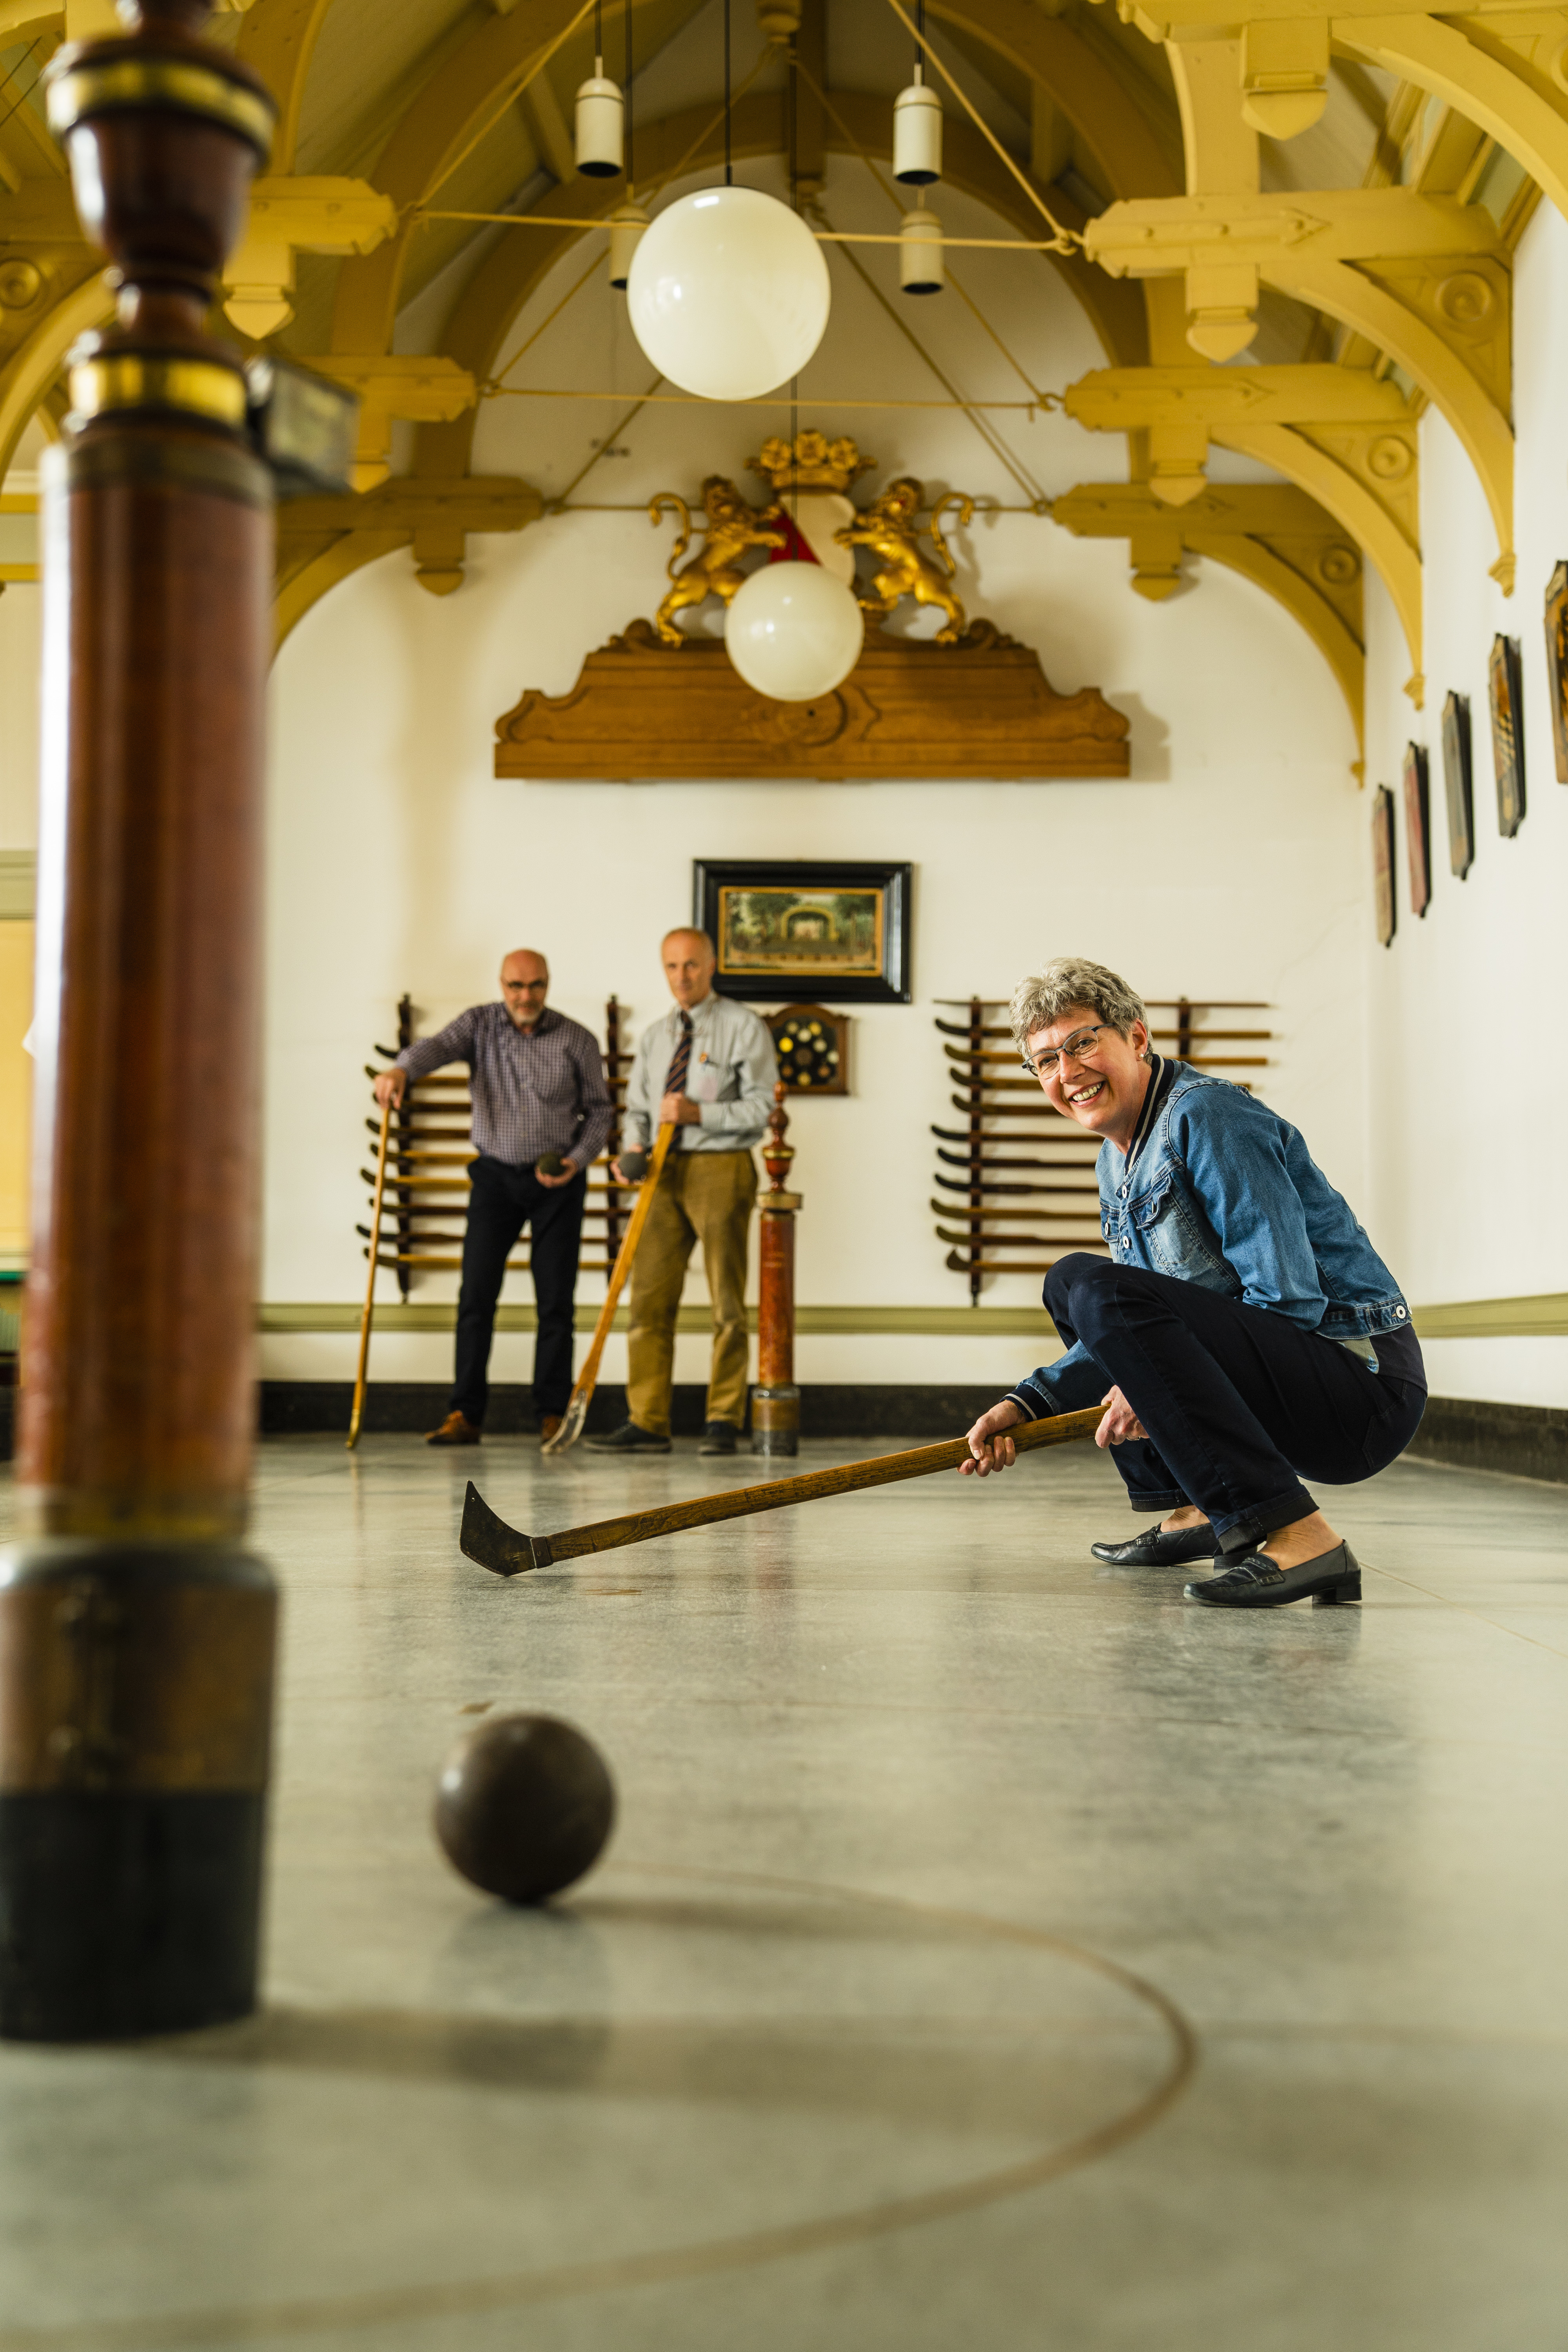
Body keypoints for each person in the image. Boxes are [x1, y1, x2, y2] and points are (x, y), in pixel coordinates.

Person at [960, 958, 1426, 1608]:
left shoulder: (1206, 1116)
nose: (1067, 1073)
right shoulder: (1114, 1161)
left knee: (1102, 1289)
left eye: (1083, 1042)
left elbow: (1288, 1300)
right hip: (1290, 1382)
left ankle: (1301, 1535)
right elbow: (1134, 1325)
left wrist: (1158, 1383)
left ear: (1138, 1038)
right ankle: (1191, 1510)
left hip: (1362, 1391)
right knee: (1073, 1282)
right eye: (1045, 1061)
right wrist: (1030, 1403)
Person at [374, 950, 612, 1446]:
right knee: (475, 1297)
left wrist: (577, 1160)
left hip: (558, 1184)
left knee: (556, 1304)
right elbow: (435, 1048)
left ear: (548, 985)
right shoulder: (478, 1025)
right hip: (494, 1179)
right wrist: (400, 1071)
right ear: (502, 984)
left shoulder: (578, 1039)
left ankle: (552, 1413)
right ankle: (465, 1412)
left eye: (536, 986)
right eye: (515, 986)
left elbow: (600, 1112)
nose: (525, 996)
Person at [587, 927, 776, 1456]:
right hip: (661, 1174)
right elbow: (640, 1112)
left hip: (722, 1167)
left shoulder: (743, 1027)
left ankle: (722, 1420)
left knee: (726, 1303)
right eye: (671, 967)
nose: (682, 977)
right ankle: (648, 1420)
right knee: (648, 1301)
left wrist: (699, 1113)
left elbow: (763, 1108)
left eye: (691, 965)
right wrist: (632, 1149)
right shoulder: (655, 1037)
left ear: (711, 965)